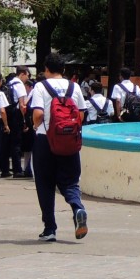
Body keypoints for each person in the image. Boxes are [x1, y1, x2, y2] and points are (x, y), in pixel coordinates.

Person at [31, 52, 88, 241]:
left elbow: (38, 114)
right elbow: (80, 115)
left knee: (45, 184)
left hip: (45, 141)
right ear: (63, 69)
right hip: (69, 141)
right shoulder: (74, 87)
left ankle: (49, 229)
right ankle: (78, 207)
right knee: (70, 181)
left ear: (46, 69)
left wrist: (35, 125)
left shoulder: (40, 86)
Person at [5, 66, 29, 178]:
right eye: (27, 75)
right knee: (16, 143)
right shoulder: (20, 85)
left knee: (8, 142)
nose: (27, 78)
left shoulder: (9, 83)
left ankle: (5, 168)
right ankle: (17, 170)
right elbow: (22, 105)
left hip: (8, 114)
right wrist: (24, 120)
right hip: (16, 116)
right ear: (23, 73)